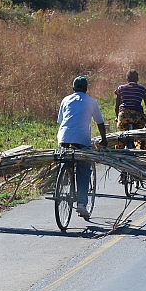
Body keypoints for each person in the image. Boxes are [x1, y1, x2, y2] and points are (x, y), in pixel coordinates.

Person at [57, 76, 108, 218]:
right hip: (82, 140)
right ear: (86, 89)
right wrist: (104, 140)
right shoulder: (91, 102)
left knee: (65, 158)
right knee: (84, 170)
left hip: (64, 139)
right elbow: (100, 123)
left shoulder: (65, 100)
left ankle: (63, 175)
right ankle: (81, 203)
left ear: (73, 89)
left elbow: (61, 121)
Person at [114, 69, 146, 148]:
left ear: (127, 79)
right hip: (137, 116)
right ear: (137, 79)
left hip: (123, 115)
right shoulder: (142, 89)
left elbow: (117, 106)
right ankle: (143, 146)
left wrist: (117, 117)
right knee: (144, 131)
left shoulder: (120, 88)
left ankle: (120, 149)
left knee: (120, 135)